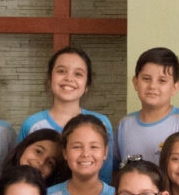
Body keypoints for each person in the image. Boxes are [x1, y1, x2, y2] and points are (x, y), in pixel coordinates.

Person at [20, 46, 116, 184]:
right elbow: (19, 171)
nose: (69, 78)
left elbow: (105, 177)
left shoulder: (101, 123)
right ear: (49, 78)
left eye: (78, 74)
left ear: (87, 84)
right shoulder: (32, 124)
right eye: (61, 71)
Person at [117, 47, 179, 167]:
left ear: (175, 87)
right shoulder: (125, 124)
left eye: (162, 80)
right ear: (135, 82)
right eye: (146, 79)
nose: (152, 86)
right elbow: (116, 168)